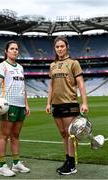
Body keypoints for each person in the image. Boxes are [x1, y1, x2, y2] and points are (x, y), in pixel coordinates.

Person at [46, 36, 88, 175]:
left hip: (70, 103)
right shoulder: (52, 65)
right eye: (57, 47)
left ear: (67, 47)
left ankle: (72, 164)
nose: (59, 49)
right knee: (63, 134)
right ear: (54, 48)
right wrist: (48, 102)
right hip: (56, 105)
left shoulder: (74, 63)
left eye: (62, 46)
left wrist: (84, 102)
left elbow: (81, 84)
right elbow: (51, 86)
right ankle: (68, 160)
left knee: (70, 135)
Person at [0, 40, 30, 177]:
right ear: (6, 51)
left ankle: (16, 163)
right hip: (7, 105)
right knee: (4, 135)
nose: (15, 51)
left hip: (20, 105)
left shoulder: (20, 67)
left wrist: (26, 104)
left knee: (16, 135)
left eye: (17, 49)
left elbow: (23, 87)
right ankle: (2, 166)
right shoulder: (3, 66)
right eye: (12, 48)